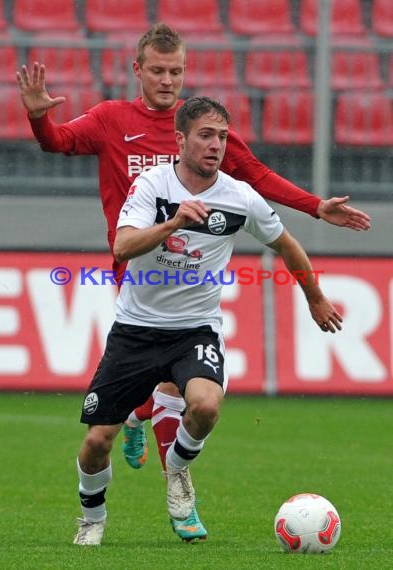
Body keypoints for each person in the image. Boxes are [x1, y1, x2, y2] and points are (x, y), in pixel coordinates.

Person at [16, 23, 368, 542]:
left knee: (180, 389)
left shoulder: (209, 132)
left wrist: (314, 207)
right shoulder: (115, 120)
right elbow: (59, 142)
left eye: (175, 71)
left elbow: (257, 177)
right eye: (157, 70)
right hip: (135, 263)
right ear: (138, 71)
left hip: (189, 297)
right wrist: (37, 115)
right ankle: (135, 422)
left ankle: (178, 490)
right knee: (133, 400)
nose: (166, 80)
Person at [72, 96, 343, 546]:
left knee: (205, 406)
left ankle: (177, 470)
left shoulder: (238, 197)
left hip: (196, 329)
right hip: (136, 330)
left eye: (221, 136)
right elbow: (122, 247)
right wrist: (174, 222)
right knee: (97, 441)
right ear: (180, 140)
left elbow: (287, 245)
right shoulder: (151, 186)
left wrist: (314, 297)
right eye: (205, 135)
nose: (216, 145)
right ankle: (91, 520)